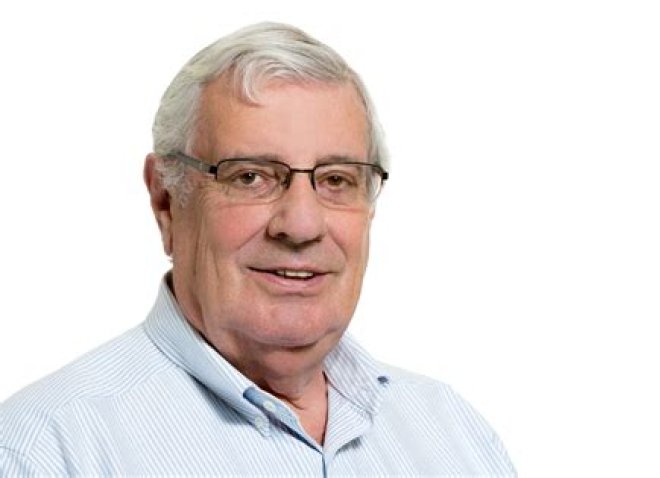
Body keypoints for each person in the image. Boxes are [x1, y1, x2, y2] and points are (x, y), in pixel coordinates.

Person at [1, 22, 516, 476]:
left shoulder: (452, 433)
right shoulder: (48, 451)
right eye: (250, 176)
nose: (302, 224)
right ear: (166, 201)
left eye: (336, 179)